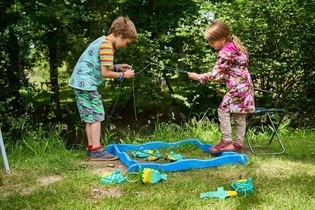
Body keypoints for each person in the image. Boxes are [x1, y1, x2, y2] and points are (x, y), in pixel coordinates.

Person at [69, 17, 137, 160]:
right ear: (120, 35)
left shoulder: (102, 41)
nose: (125, 45)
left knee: (89, 117)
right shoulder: (107, 46)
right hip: (87, 84)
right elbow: (105, 73)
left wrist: (117, 66)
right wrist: (123, 75)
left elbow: (99, 66)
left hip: (79, 82)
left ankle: (91, 149)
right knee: (97, 116)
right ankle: (97, 150)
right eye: (126, 42)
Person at [188, 20, 255, 154]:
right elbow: (234, 70)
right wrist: (223, 76)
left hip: (238, 88)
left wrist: (198, 77)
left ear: (223, 39)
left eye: (212, 42)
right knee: (240, 117)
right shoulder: (237, 48)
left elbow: (214, 74)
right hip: (246, 87)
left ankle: (226, 142)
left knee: (223, 110)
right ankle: (237, 145)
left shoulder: (225, 52)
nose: (211, 45)